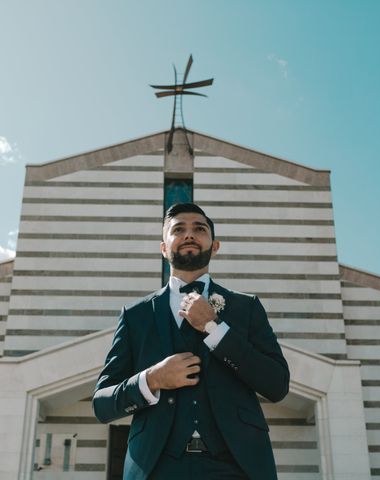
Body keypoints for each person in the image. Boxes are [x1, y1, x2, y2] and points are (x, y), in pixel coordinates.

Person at [93, 203, 289, 479]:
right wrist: (151, 380)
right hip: (157, 466)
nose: (189, 234)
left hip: (237, 466)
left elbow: (277, 384)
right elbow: (102, 404)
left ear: (215, 245)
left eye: (199, 228)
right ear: (163, 248)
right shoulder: (135, 316)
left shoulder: (247, 308)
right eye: (178, 229)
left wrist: (214, 327)